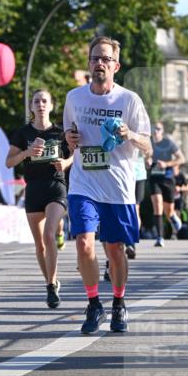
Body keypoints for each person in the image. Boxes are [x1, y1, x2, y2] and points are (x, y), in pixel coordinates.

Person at [64, 36, 151, 334]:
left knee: (115, 250)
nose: (99, 63)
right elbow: (68, 135)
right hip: (83, 183)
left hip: (117, 186)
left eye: (105, 59)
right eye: (95, 58)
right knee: (84, 242)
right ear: (89, 64)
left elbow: (148, 145)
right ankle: (93, 304)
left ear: (116, 66)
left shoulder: (129, 100)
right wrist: (69, 139)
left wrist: (130, 135)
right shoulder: (74, 98)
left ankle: (118, 302)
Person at [6, 89, 72, 308]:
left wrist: (65, 163)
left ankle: (51, 286)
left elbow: (76, 154)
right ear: (32, 107)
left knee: (48, 233)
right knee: (40, 245)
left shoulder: (60, 133)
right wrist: (27, 153)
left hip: (56, 186)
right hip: (33, 188)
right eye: (37, 101)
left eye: (45, 101)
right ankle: (50, 281)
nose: (41, 104)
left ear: (51, 106)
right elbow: (9, 162)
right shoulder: (23, 133)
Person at [146, 121, 183, 246]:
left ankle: (172, 216)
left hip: (167, 179)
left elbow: (181, 158)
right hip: (154, 178)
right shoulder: (148, 143)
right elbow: (145, 158)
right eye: (153, 128)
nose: (155, 131)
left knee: (169, 210)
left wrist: (167, 164)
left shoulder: (168, 143)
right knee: (157, 205)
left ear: (162, 131)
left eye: (158, 128)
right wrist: (147, 162)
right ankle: (159, 237)